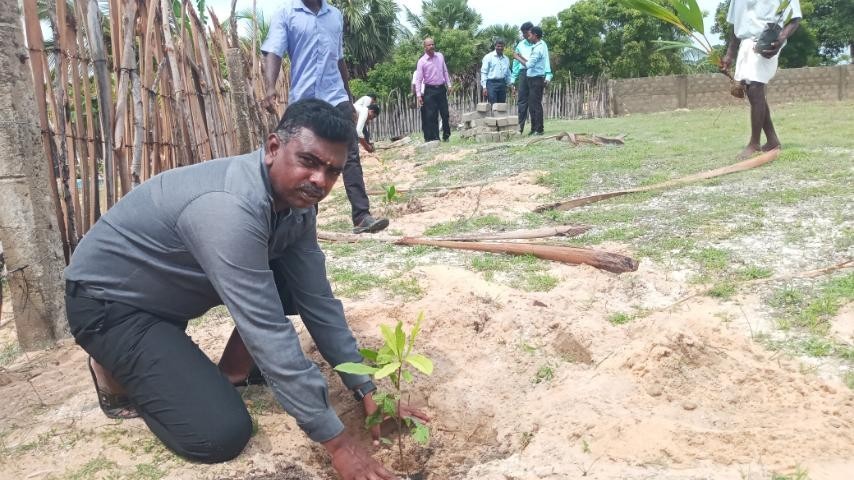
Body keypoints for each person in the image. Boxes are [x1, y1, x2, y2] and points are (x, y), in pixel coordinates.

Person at [64, 99, 428, 479]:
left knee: (290, 277)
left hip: (166, 298)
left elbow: (318, 301)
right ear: (273, 148)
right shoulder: (229, 210)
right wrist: (338, 444)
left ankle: (232, 373)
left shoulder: (297, 204)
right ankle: (112, 370)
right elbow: (266, 330)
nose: (320, 180)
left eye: (332, 171)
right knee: (219, 434)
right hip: (110, 306)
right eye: (308, 161)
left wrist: (367, 394)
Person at [260, 0, 388, 234]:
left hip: (335, 94)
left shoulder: (335, 16)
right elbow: (274, 51)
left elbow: (339, 59)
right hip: (305, 98)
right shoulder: (286, 14)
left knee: (350, 156)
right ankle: (307, 223)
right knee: (307, 160)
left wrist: (349, 99)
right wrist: (270, 88)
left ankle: (361, 216)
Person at [721, 0, 801, 159]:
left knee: (755, 87)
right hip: (745, 44)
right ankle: (772, 140)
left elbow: (795, 18)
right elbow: (735, 26)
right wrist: (730, 53)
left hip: (767, 41)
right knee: (753, 92)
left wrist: (781, 38)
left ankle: (754, 143)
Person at [511, 22, 552, 134]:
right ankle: (520, 128)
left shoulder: (541, 45)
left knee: (535, 102)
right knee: (523, 101)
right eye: (523, 34)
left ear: (533, 33)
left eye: (527, 33)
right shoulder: (521, 44)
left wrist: (548, 75)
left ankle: (536, 128)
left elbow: (544, 61)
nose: (525, 36)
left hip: (535, 74)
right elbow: (516, 64)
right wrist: (513, 79)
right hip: (524, 74)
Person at [414, 37, 452, 142]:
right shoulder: (421, 61)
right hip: (429, 91)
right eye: (429, 45)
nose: (432, 46)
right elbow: (418, 80)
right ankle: (436, 137)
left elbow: (445, 71)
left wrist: (449, 85)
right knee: (432, 115)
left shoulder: (440, 56)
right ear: (425, 47)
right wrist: (418, 95)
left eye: (433, 44)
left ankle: (446, 135)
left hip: (441, 89)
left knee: (445, 113)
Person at [519, 27, 549, 136]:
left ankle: (539, 129)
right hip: (532, 78)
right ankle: (534, 128)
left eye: (530, 35)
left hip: (536, 79)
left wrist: (517, 58)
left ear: (535, 35)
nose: (528, 36)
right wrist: (521, 57)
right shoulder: (536, 47)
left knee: (536, 105)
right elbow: (530, 62)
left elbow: (528, 65)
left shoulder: (539, 48)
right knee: (532, 105)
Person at [480, 38, 511, 104]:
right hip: (491, 83)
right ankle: (492, 114)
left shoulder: (506, 59)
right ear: (495, 46)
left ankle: (500, 115)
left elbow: (508, 73)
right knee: (493, 104)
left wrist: (510, 85)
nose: (500, 48)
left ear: (504, 47)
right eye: (498, 46)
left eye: (501, 46)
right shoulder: (488, 57)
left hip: (502, 83)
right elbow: (484, 72)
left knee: (501, 105)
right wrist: (484, 87)